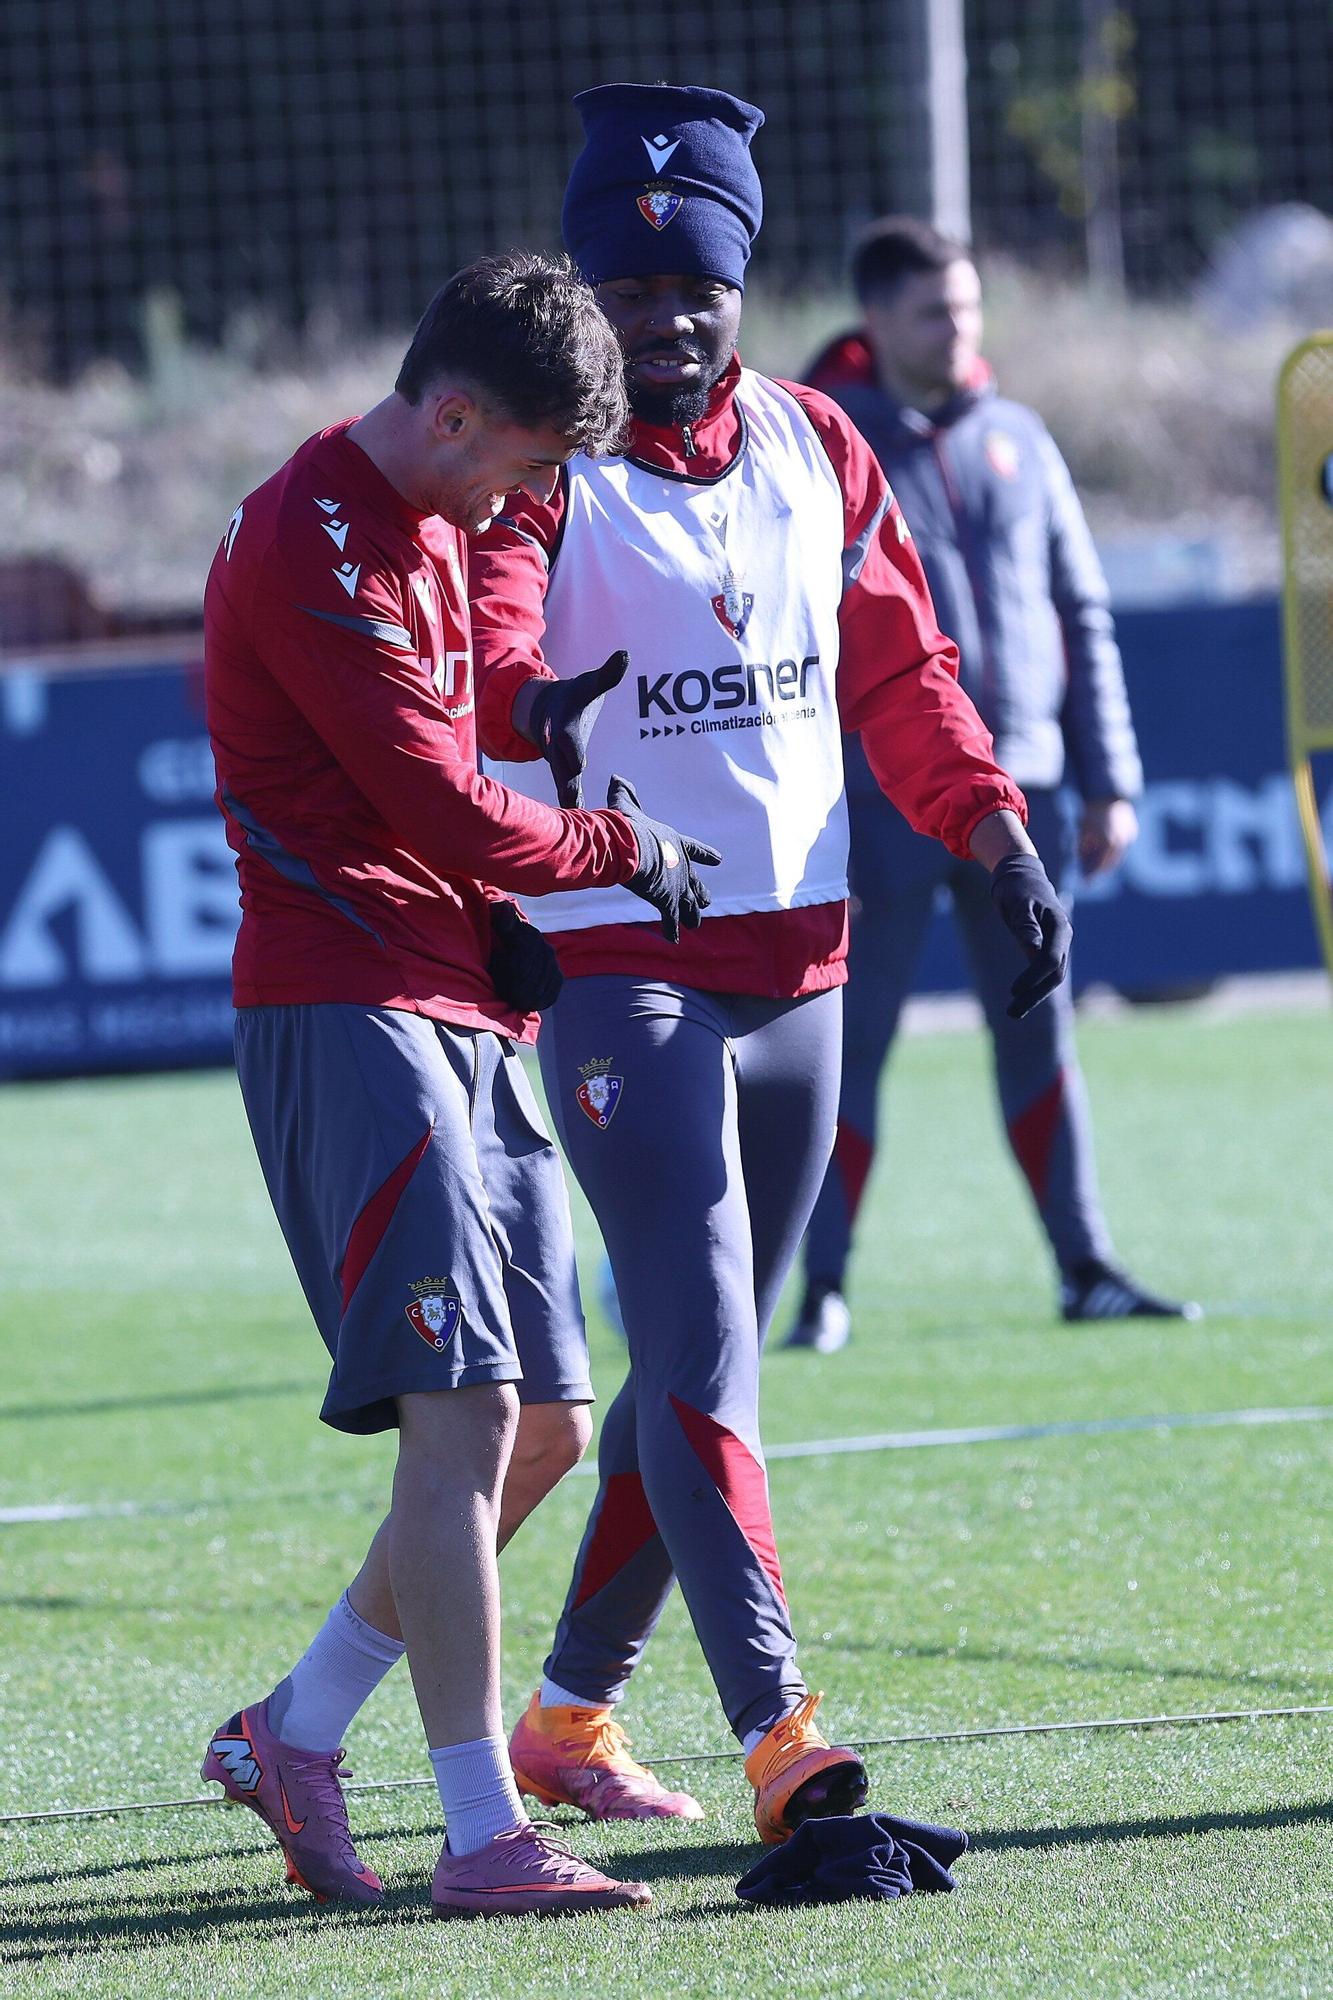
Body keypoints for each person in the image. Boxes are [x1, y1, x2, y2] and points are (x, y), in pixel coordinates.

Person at [467, 85, 1071, 1842]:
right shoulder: (536, 460)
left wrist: (992, 832)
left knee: (680, 1371)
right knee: (706, 1357)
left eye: (693, 289)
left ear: (740, 287)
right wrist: (526, 708)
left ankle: (567, 1718)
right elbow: (494, 650)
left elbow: (896, 667)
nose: (662, 317)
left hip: (800, 964)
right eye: (629, 288)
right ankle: (782, 1746)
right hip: (614, 960)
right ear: (585, 290)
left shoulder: (820, 442)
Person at [199, 251, 719, 1919]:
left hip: (452, 998)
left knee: (550, 1423)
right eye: (526, 461)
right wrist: (612, 850)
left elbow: (454, 773)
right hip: (346, 1007)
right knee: (466, 1408)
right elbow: (433, 806)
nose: (533, 497)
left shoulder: (437, 516)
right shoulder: (312, 539)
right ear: (451, 412)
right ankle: (482, 1828)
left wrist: (501, 912)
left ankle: (299, 1725)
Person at [789, 218, 1201, 1352]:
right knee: (848, 1045)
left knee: (1040, 1036)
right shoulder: (820, 444)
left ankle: (1085, 1265)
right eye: (932, 311)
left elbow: (1082, 608)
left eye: (965, 308)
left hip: (1027, 794)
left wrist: (1107, 774)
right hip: (880, 802)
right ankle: (821, 1288)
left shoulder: (1019, 434)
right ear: (874, 322)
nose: (957, 329)